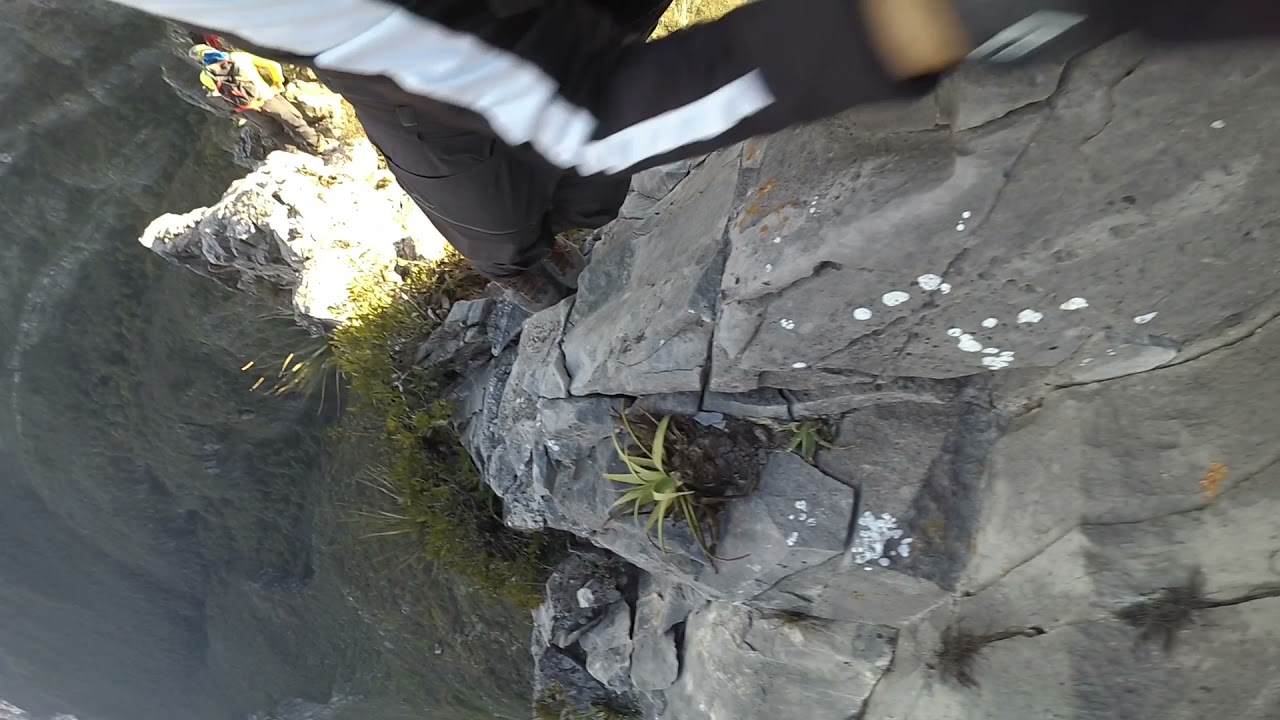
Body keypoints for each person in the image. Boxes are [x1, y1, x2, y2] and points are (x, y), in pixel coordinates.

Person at [115, 0, 1279, 310]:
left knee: (531, 184)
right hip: (419, 43)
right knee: (498, 175)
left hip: (429, 55)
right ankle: (516, 255)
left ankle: (520, 259)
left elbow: (593, 116)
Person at [188, 44, 325, 154]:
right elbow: (274, 66)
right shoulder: (238, 57)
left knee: (275, 132)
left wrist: (238, 110)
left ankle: (294, 154)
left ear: (200, 60)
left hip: (248, 109)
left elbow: (217, 98)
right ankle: (318, 146)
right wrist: (278, 83)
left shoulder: (205, 76)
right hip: (267, 98)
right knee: (296, 123)